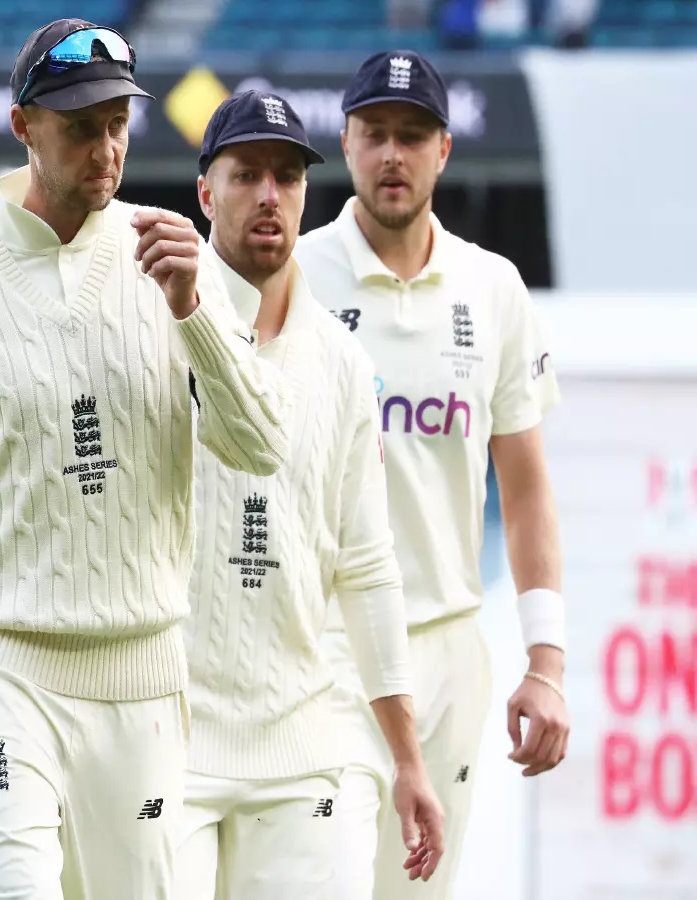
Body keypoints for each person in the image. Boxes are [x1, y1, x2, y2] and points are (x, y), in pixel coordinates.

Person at [0, 18, 293, 900]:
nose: (105, 146)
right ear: (23, 127)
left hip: (144, 682)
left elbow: (261, 447)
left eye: (117, 122)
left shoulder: (176, 265)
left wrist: (193, 311)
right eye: (80, 125)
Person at [292, 51, 569, 900]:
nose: (391, 155)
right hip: (321, 649)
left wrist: (546, 662)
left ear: (444, 149)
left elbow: (523, 492)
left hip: (449, 651)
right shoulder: (291, 274)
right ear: (345, 141)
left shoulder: (493, 289)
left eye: (412, 136)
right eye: (374, 133)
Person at [176, 90, 446, 900]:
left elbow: (366, 566)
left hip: (302, 747)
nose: (269, 196)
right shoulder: (147, 328)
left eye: (288, 177)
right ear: (205, 192)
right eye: (247, 174)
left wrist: (405, 758)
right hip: (165, 742)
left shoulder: (342, 364)